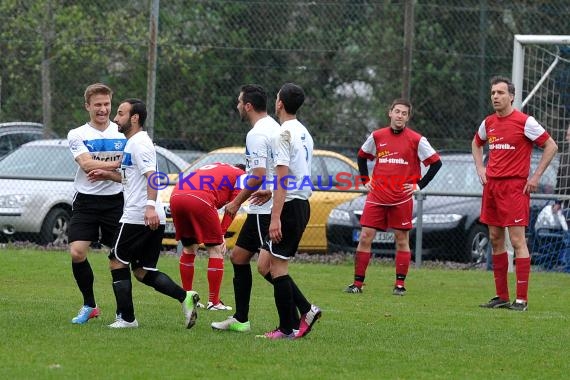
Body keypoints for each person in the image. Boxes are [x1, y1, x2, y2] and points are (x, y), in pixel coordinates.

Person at [87, 98, 199, 328]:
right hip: (147, 213)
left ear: (134, 118)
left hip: (139, 214)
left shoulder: (140, 143)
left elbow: (153, 177)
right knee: (142, 271)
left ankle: (127, 319)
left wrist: (149, 206)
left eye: (120, 113)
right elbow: (132, 178)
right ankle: (184, 297)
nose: (115, 118)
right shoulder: (133, 143)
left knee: (117, 261)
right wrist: (108, 175)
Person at [472, 76, 557, 312]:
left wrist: (536, 177)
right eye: (493, 93)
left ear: (511, 96)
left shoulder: (525, 122)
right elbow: (476, 143)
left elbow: (551, 145)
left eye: (500, 92)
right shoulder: (488, 122)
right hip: (492, 188)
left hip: (514, 188)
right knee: (496, 239)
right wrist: (480, 167)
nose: (495, 97)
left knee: (518, 240)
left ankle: (521, 299)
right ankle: (501, 296)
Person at [344, 98, 442, 295]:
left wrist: (418, 185)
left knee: (401, 239)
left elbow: (436, 163)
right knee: (365, 236)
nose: (400, 116)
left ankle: (399, 285)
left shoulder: (416, 139)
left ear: (407, 117)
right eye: (397, 111)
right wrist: (365, 180)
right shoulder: (378, 136)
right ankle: (357, 284)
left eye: (404, 113)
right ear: (390, 113)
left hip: (402, 198)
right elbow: (362, 156)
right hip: (377, 196)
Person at [256, 82, 321, 339]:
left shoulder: (282, 133)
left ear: (279, 103)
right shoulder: (304, 132)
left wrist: (275, 218)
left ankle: (287, 328)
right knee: (264, 265)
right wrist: (270, 192)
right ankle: (306, 309)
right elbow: (296, 175)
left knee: (279, 269)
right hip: (296, 201)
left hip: (290, 206)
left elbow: (284, 177)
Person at [67, 83, 126, 324]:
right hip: (86, 201)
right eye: (98, 105)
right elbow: (86, 164)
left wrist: (113, 167)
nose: (103, 109)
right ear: (87, 106)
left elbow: (133, 170)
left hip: (116, 201)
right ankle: (90, 305)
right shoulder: (77, 133)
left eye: (106, 104)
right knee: (77, 252)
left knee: (119, 257)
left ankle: (124, 312)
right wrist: (119, 163)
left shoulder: (122, 133)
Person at [170, 162, 246, 311]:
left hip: (176, 195)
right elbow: (233, 206)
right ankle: (214, 302)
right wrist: (222, 232)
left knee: (189, 248)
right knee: (216, 249)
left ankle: (188, 298)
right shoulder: (242, 175)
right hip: (200, 198)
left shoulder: (218, 166)